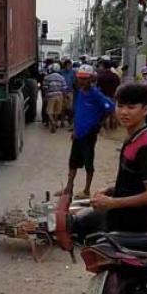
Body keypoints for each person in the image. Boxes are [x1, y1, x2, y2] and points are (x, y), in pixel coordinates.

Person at [90, 84, 147, 232]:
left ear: (145, 110)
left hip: (134, 223)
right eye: (120, 106)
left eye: (131, 107)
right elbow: (134, 183)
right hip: (119, 216)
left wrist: (112, 203)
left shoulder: (146, 146)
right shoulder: (132, 137)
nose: (124, 112)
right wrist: (109, 190)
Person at [57, 64, 114, 198]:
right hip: (78, 133)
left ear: (91, 79)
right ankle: (69, 188)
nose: (81, 81)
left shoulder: (95, 94)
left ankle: (86, 190)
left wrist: (99, 120)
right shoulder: (81, 93)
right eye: (80, 78)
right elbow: (79, 113)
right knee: (73, 162)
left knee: (88, 162)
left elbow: (110, 107)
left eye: (84, 78)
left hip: (89, 134)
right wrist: (75, 129)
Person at [43, 63, 66, 133]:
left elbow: (45, 88)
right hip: (59, 96)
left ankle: (52, 121)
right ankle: (55, 123)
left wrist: (45, 96)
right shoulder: (62, 77)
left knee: (49, 111)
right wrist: (64, 97)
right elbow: (64, 88)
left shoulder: (47, 77)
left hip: (50, 96)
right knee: (57, 111)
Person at [60, 58, 76, 127]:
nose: (68, 67)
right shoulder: (61, 72)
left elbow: (75, 82)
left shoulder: (73, 72)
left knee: (70, 108)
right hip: (62, 92)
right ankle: (62, 122)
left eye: (69, 65)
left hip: (70, 91)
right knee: (62, 108)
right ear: (64, 65)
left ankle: (70, 120)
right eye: (67, 65)